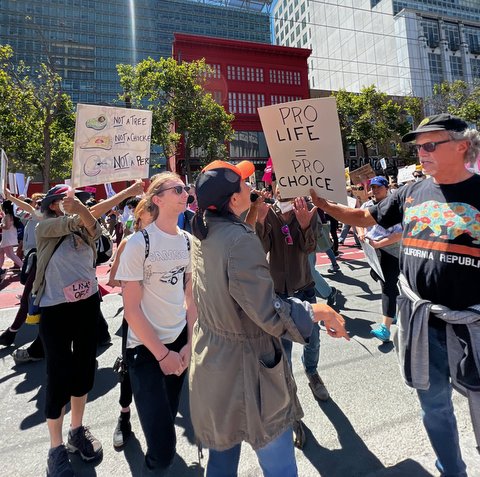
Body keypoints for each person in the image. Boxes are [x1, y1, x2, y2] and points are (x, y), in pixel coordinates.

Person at [310, 113, 480, 477]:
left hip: (473, 328)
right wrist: (325, 206)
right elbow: (366, 219)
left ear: (462, 145)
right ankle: (452, 470)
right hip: (423, 325)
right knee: (434, 407)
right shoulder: (411, 192)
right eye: (418, 146)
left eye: (430, 144)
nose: (421, 152)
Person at [189, 160, 349, 477]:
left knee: (221, 460)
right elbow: (267, 314)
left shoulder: (204, 230)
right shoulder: (239, 238)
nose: (252, 187)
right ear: (233, 199)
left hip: (213, 363)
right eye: (244, 184)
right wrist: (320, 310)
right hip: (248, 371)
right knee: (280, 465)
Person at [115, 173, 196, 475]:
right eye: (177, 189)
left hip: (179, 347)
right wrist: (163, 355)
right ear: (157, 199)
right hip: (146, 352)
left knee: (166, 422)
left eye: (185, 188)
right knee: (163, 453)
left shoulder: (189, 243)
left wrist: (189, 343)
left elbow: (191, 297)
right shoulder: (138, 244)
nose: (184, 192)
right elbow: (131, 311)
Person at [29, 185, 103, 477]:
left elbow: (95, 230)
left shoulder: (85, 228)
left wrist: (83, 209)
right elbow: (73, 221)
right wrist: (80, 211)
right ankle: (55, 448)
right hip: (56, 309)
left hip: (87, 305)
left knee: (84, 369)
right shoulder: (44, 226)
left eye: (78, 200)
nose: (75, 204)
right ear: (53, 205)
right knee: (58, 376)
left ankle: (76, 431)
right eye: (66, 200)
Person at [252, 188, 333, 406]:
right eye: (280, 187)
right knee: (282, 348)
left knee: (313, 339)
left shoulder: (308, 210)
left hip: (304, 287)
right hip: (277, 292)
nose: (283, 192)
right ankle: (288, 394)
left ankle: (312, 372)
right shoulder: (267, 212)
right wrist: (259, 221)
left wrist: (305, 224)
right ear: (275, 189)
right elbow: (260, 249)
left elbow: (310, 248)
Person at [108, 198, 153, 449]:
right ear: (139, 216)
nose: (155, 215)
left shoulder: (169, 239)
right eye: (150, 211)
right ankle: (124, 416)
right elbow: (113, 279)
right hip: (135, 316)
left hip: (163, 316)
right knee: (129, 367)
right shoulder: (130, 242)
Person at [355, 176, 402, 342]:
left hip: (392, 252)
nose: (375, 190)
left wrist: (379, 243)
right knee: (386, 283)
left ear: (386, 188)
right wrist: (361, 233)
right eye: (372, 187)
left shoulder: (394, 206)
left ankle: (385, 328)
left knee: (387, 287)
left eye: (378, 187)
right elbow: (358, 219)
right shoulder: (367, 205)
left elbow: (399, 233)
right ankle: (392, 314)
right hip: (374, 252)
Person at [0, 199, 23, 272]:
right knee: (2, 252)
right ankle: (0, 267)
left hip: (7, 237)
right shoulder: (12, 215)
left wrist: (0, 225)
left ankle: (23, 266)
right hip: (9, 237)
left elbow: (7, 227)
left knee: (10, 254)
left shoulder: (8, 216)